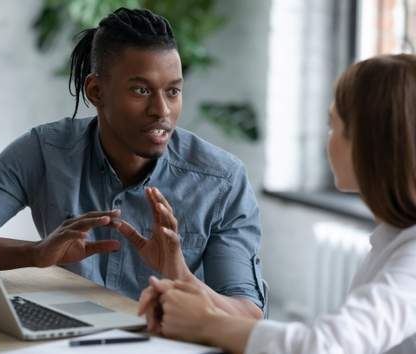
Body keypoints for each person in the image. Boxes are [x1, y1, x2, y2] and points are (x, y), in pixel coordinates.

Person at [0, 8, 265, 318]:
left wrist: (179, 274)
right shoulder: (45, 151)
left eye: (173, 91)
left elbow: (247, 315)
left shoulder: (222, 180)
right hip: (68, 340)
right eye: (141, 90)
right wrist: (35, 254)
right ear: (96, 91)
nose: (162, 111)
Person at [139, 54, 416, 354]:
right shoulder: (393, 237)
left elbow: (325, 346)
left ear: (368, 141)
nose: (327, 140)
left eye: (333, 125)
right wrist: (189, 302)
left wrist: (206, 323)